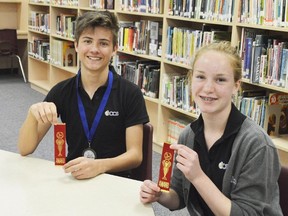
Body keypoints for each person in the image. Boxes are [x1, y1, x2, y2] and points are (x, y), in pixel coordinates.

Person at [140, 41, 283, 215]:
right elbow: (178, 197)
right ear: (191, 79)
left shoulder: (256, 144)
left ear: (236, 86)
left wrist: (198, 177)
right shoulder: (188, 135)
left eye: (220, 80)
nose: (208, 88)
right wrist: (159, 195)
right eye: (200, 77)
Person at [18, 11, 149, 180]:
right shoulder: (61, 91)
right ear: (77, 45)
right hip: (74, 177)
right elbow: (25, 148)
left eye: (103, 43)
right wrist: (32, 114)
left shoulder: (130, 93)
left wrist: (100, 165)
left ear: (114, 49)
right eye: (87, 41)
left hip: (115, 181)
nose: (94, 50)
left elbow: (135, 155)